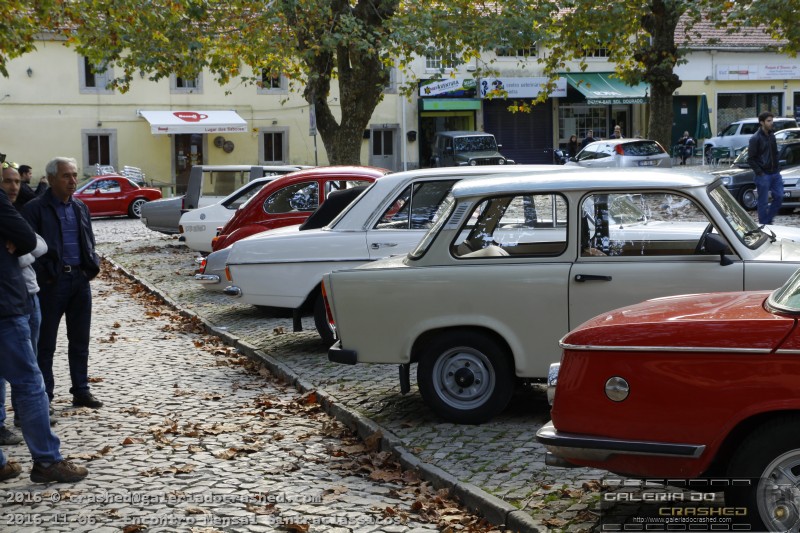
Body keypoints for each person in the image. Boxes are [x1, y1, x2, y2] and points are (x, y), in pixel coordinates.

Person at [0, 176, 88, 483]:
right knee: (29, 382)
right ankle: (47, 461)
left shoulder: (76, 206)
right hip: (5, 306)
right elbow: (29, 238)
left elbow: (31, 241)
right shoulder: (14, 204)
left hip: (17, 299)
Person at [22, 157, 103, 409]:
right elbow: (28, 248)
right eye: (66, 175)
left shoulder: (80, 207)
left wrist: (92, 265)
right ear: (52, 178)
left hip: (79, 280)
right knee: (45, 344)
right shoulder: (35, 209)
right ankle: (46, 396)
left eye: (74, 175)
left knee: (80, 340)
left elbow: (88, 240)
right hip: (51, 284)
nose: (73, 181)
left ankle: (81, 390)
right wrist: (45, 274)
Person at [747, 111, 783, 225]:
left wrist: (777, 166)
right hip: (763, 174)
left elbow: (775, 153)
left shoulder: (772, 135)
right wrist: (760, 172)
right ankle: (765, 225)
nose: (771, 123)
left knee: (779, 196)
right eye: (768, 121)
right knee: (763, 202)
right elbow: (750, 159)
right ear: (762, 122)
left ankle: (767, 221)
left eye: (772, 120)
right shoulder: (755, 138)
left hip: (775, 173)